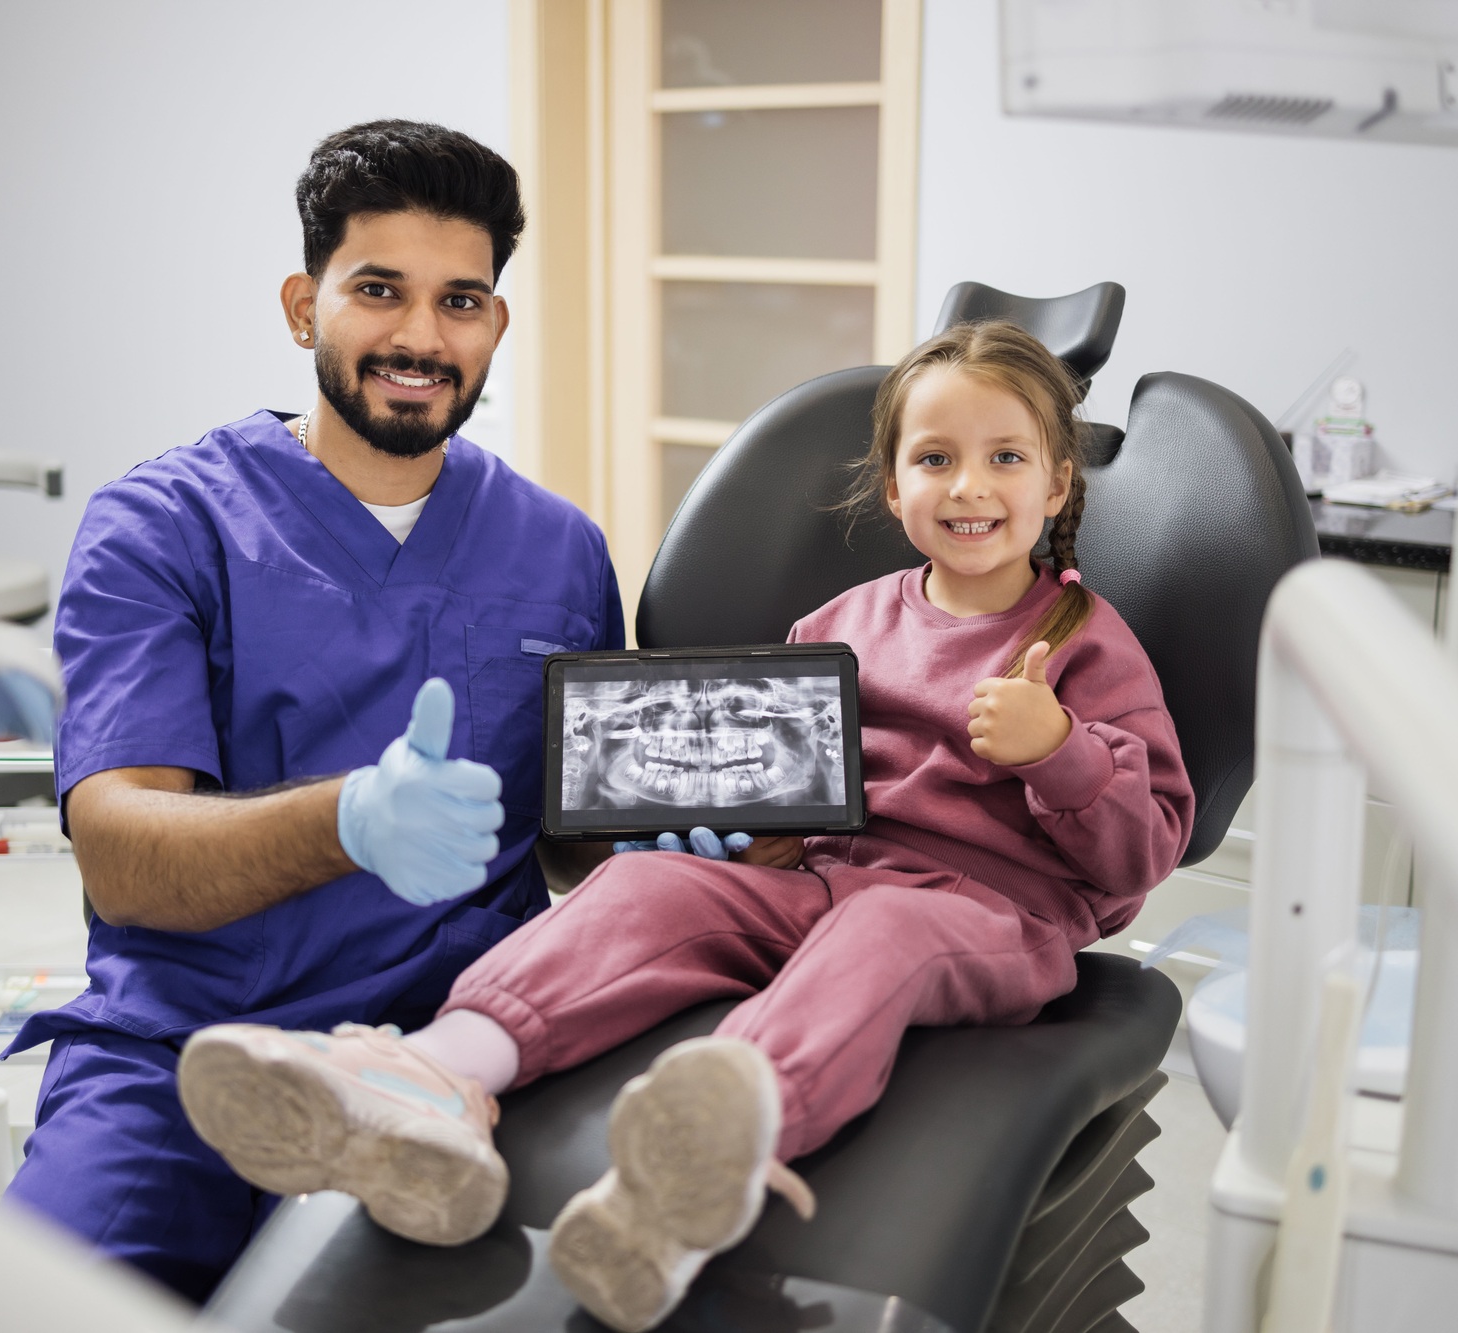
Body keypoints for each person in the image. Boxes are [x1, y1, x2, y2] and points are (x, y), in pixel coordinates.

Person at [175, 319, 1194, 1330]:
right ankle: (440, 1074)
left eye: (1003, 458)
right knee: (642, 886)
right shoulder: (840, 624)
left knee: (885, 929)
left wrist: (1054, 749)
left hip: (988, 916)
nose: (968, 487)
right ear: (893, 488)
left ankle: (722, 1135)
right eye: (935, 459)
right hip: (823, 884)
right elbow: (791, 797)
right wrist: (744, 831)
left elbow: (1142, 852)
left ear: (1056, 485)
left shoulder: (1083, 646)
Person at [0, 120, 625, 1303]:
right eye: (377, 290)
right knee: (25, 1300)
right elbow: (124, 856)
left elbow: (571, 841)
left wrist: (663, 834)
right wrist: (349, 821)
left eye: (461, 301)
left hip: (448, 1060)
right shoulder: (163, 527)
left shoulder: (559, 549)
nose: (420, 337)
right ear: (303, 306)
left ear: (494, 323)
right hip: (185, 1049)